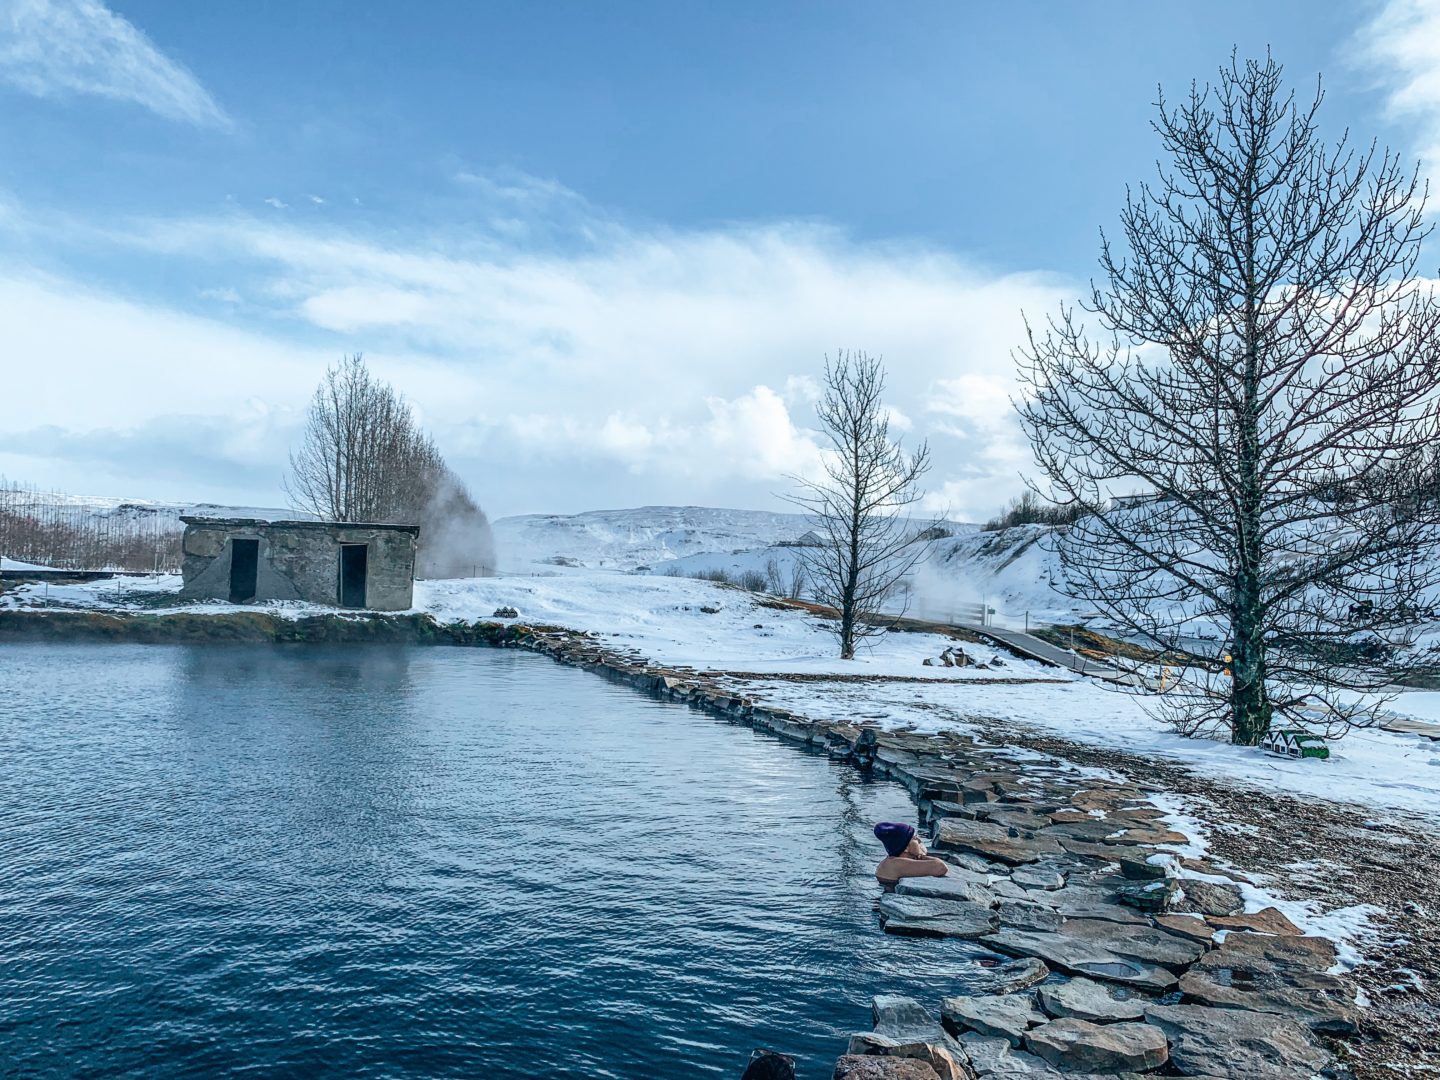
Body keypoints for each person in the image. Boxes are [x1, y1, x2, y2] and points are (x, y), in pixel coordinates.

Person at [873, 822, 948, 888]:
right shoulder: (895, 864)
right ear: (906, 848)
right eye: (914, 838)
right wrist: (921, 856)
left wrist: (918, 854)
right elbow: (940, 867)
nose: (919, 840)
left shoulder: (894, 860)